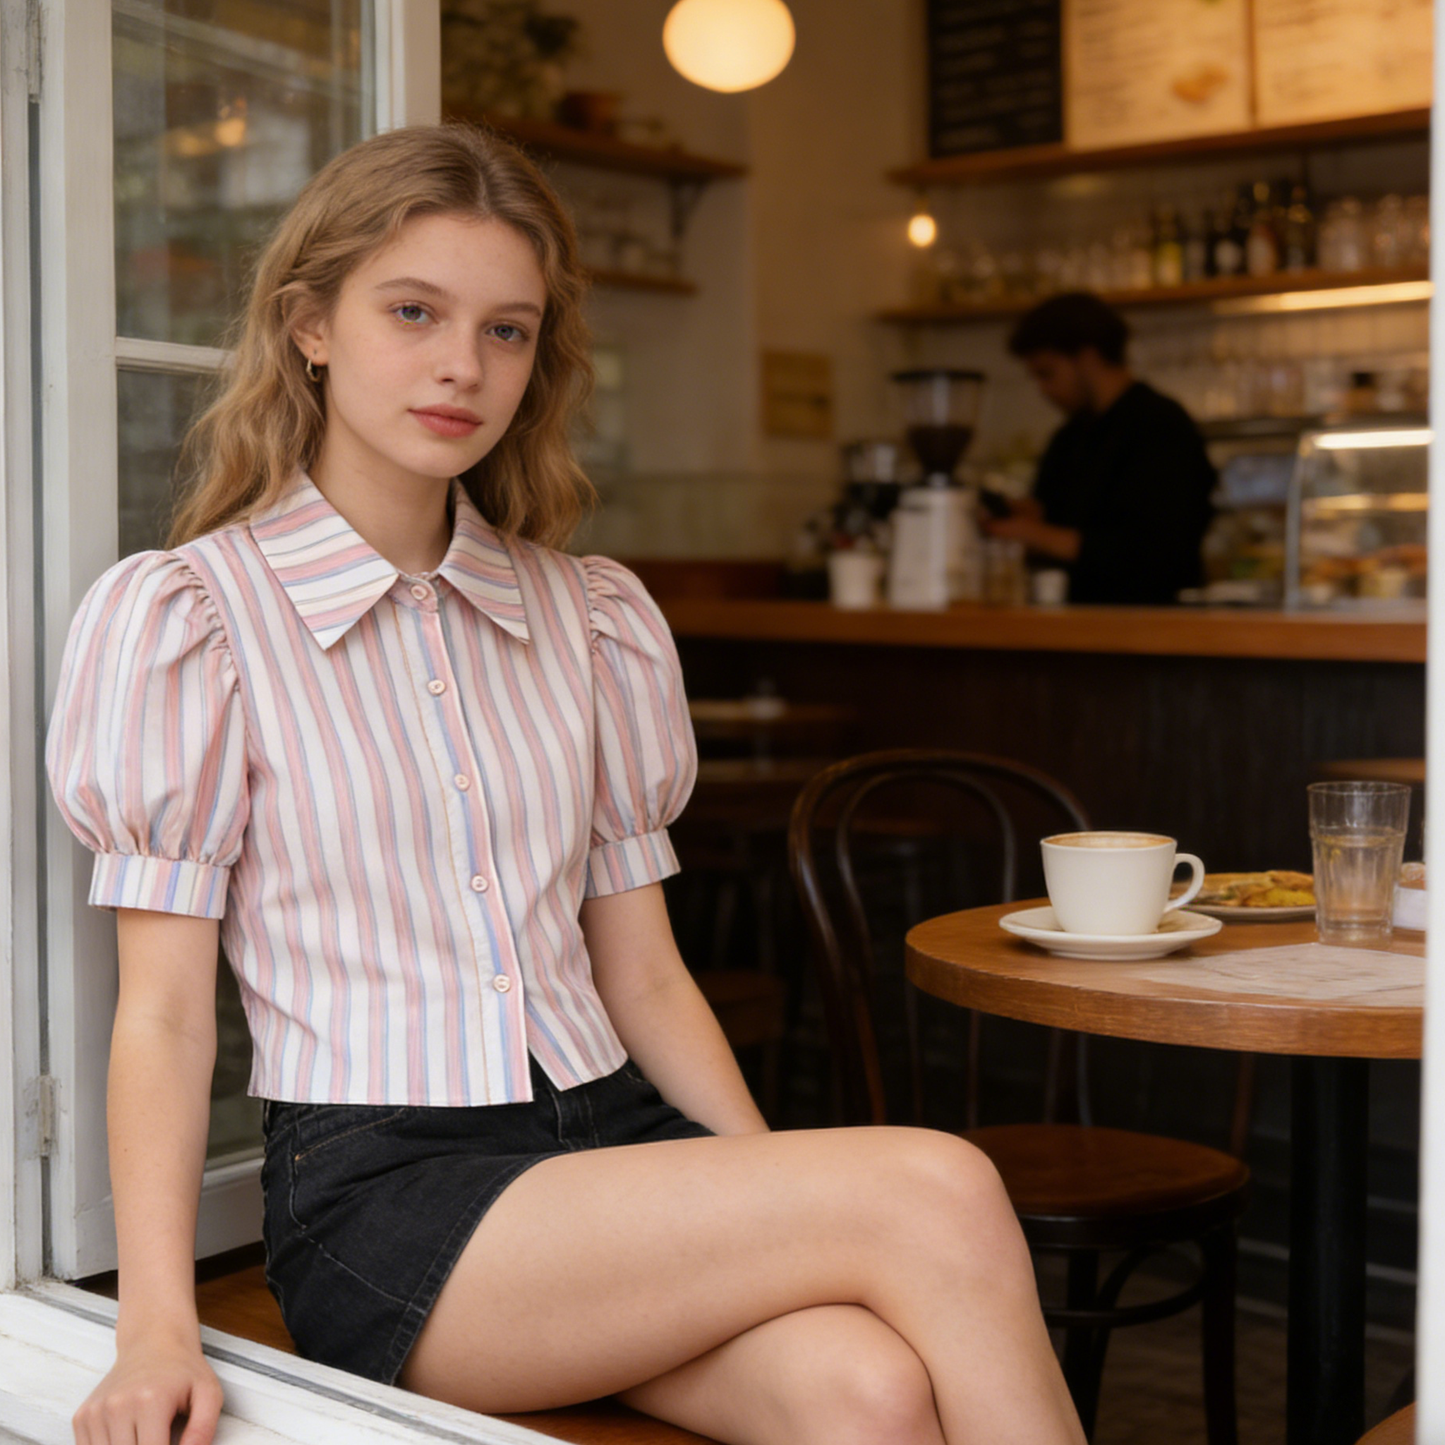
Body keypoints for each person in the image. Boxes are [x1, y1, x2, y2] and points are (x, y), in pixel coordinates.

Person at [47, 124, 1084, 1445]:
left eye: (506, 331)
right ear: (310, 324)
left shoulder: (590, 616)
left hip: (613, 1136)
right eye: (413, 311)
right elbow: (167, 1016)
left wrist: (770, 1189)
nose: (460, 366)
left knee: (866, 1389)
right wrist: (153, 1327)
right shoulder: (191, 616)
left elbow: (644, 974)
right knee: (937, 1183)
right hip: (390, 1186)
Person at [983, 292, 1216, 605]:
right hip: (1071, 627)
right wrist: (1033, 518)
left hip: (1153, 629)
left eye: (1047, 373)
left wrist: (1036, 535)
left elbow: (1160, 551)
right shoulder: (1068, 436)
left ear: (1087, 356)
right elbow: (1062, 517)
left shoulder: (1160, 424)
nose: (1043, 390)